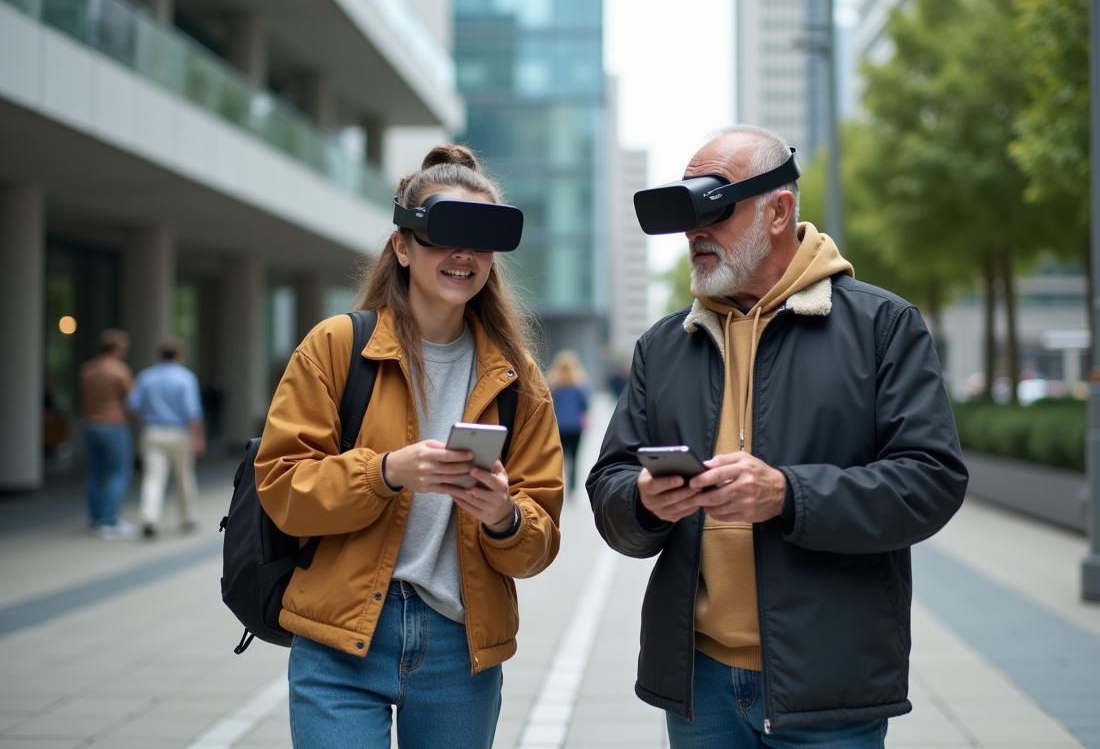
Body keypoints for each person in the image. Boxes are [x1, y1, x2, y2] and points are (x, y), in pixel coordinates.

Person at [587, 125, 969, 748]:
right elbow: (609, 484)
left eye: (712, 211)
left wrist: (788, 495)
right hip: (698, 685)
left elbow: (932, 481)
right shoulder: (663, 346)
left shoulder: (883, 326)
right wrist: (643, 501)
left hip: (827, 687)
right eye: (687, 217)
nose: (694, 233)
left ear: (778, 212)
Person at [255, 145, 564, 749]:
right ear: (402, 246)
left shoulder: (518, 378)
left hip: (460, 647)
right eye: (445, 235)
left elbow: (540, 543)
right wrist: (386, 472)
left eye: (481, 240)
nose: (464, 255)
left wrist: (503, 517)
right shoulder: (337, 346)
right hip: (342, 640)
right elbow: (283, 490)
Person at [126, 337, 205, 538]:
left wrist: (145, 419)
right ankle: (189, 517)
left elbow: (133, 404)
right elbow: (192, 411)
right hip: (179, 433)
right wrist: (198, 437)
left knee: (153, 477)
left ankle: (149, 517)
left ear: (159, 355)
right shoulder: (186, 377)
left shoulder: (146, 377)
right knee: (184, 476)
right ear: (179, 356)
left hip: (152, 431)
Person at [78, 329, 136, 539]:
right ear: (118, 348)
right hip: (113, 425)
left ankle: (95, 518)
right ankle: (109, 520)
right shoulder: (119, 370)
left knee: (94, 473)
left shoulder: (87, 369)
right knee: (119, 472)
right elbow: (131, 399)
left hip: (90, 425)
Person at [548, 349, 589, 495]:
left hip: (559, 426)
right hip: (576, 426)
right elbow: (585, 405)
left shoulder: (554, 387)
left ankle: (559, 483)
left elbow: (550, 406)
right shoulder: (579, 386)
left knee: (559, 457)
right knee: (575, 457)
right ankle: (572, 486)